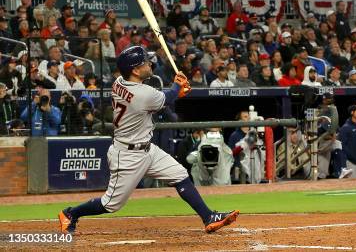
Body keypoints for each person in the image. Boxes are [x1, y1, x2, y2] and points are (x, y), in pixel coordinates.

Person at [58, 46, 238, 234]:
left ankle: (208, 217)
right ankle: (71, 213)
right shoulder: (141, 94)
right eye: (144, 63)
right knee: (110, 204)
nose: (149, 63)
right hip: (127, 155)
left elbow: (162, 99)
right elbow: (165, 98)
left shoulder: (120, 81)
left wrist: (176, 90)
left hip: (147, 148)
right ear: (135, 71)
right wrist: (177, 86)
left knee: (179, 175)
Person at [338, 104, 356, 178]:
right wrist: (350, 158)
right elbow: (342, 147)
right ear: (352, 113)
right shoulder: (345, 128)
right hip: (351, 163)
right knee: (352, 186)